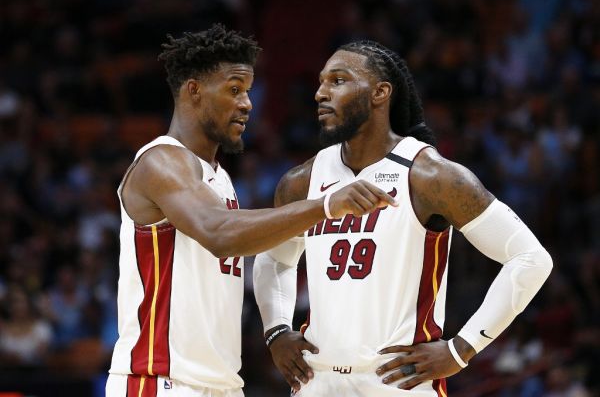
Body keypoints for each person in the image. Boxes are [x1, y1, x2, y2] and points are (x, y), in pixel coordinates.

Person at [105, 27, 396, 397]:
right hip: (159, 381)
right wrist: (325, 206)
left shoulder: (219, 178)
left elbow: (263, 246)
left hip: (220, 384)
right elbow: (220, 234)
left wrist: (277, 327)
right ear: (194, 90)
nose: (247, 104)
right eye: (233, 90)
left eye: (246, 91)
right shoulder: (161, 161)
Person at [253, 40, 553, 396]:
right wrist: (276, 331)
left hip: (397, 381)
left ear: (381, 92)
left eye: (338, 80)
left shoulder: (432, 176)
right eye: (321, 82)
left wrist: (462, 348)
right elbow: (273, 259)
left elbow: (531, 259)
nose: (320, 93)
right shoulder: (301, 181)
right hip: (317, 379)